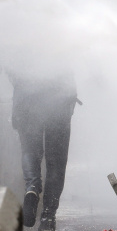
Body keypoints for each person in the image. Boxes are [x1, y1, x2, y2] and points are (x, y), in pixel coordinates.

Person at [5, 63, 78, 230]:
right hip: (59, 99)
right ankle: (48, 216)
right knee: (56, 162)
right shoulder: (64, 39)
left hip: (26, 98)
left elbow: (9, 63)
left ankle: (32, 186)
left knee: (30, 150)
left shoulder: (20, 39)